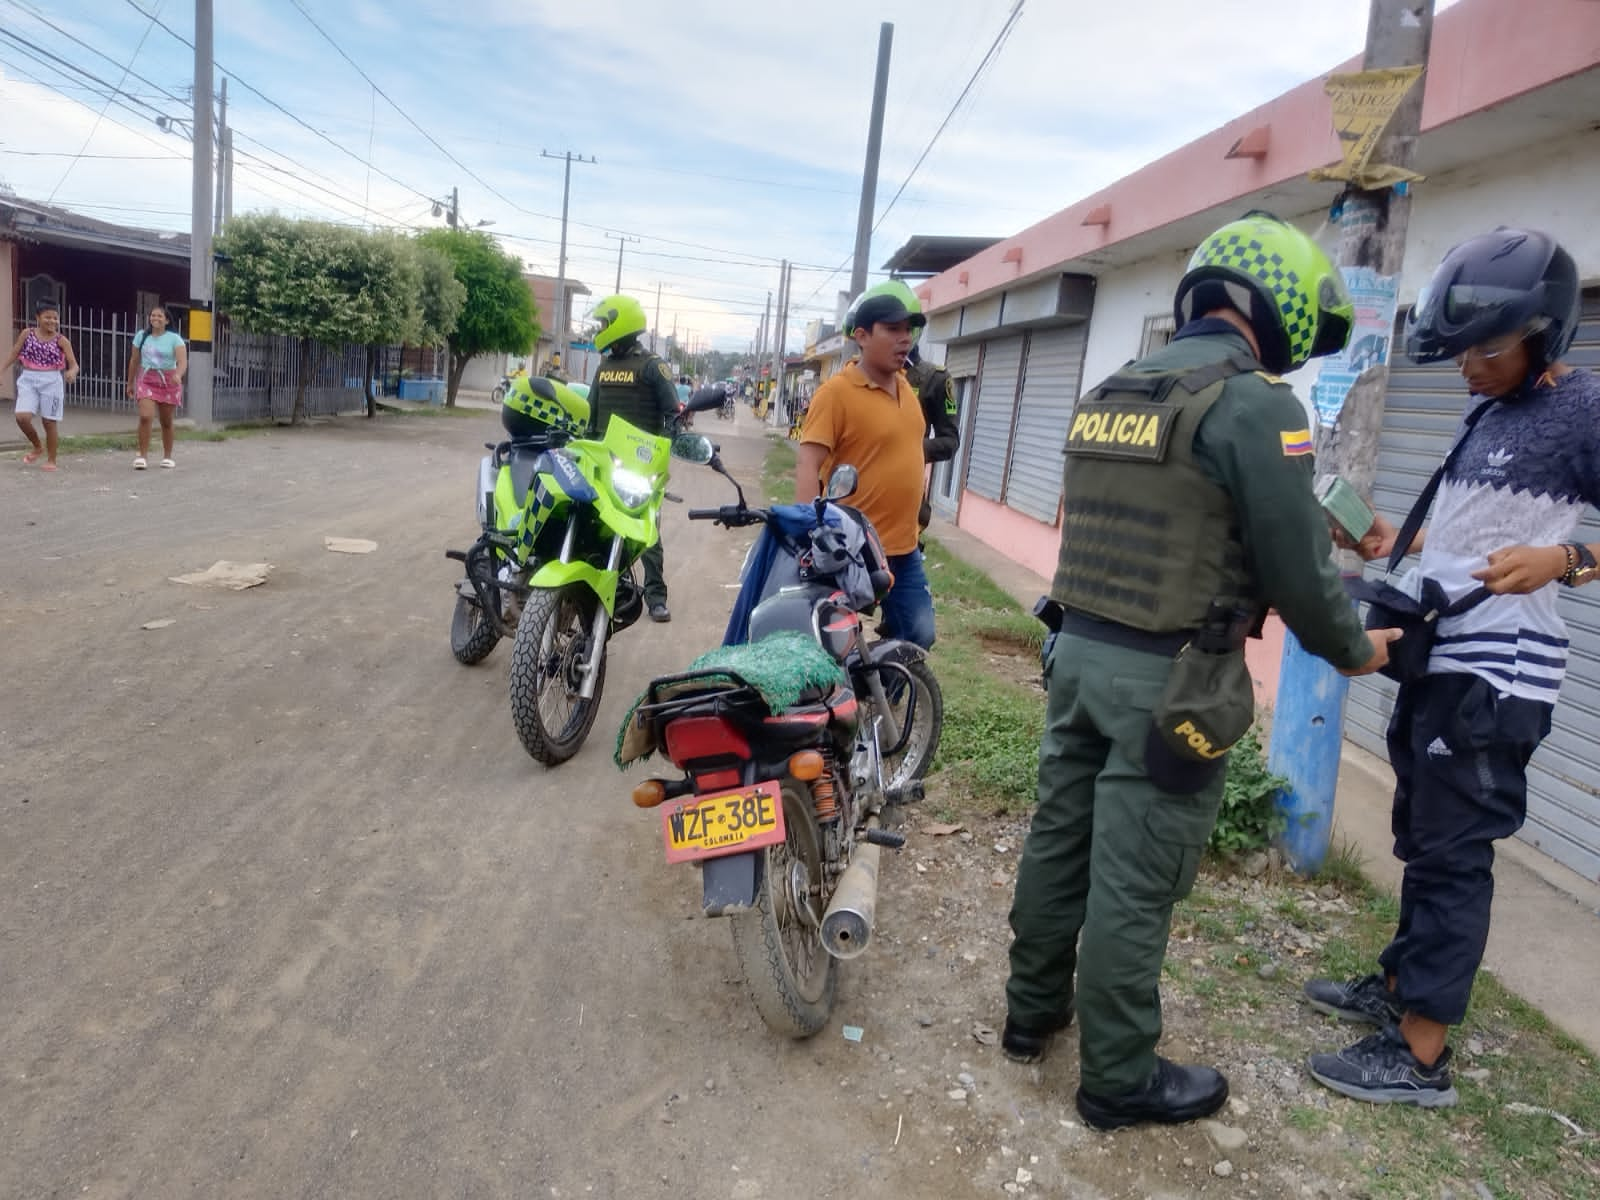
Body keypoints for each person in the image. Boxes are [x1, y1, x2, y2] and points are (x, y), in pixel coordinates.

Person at [1001, 211, 1400, 1132]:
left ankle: (1030, 1018)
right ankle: (1117, 1079)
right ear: (1281, 302)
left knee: (1060, 841)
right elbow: (1297, 572)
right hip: (1171, 683)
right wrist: (1356, 649)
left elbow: (1187, 519)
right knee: (1135, 880)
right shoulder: (1254, 404)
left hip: (1079, 658)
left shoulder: (1112, 388)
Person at [1303, 228, 1599, 1109]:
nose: (1467, 364)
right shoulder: (1492, 410)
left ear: (1546, 335)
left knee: (1455, 854)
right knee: (1424, 839)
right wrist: (1404, 536)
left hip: (1499, 674)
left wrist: (1567, 561)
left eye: (1490, 347)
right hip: (1446, 656)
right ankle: (1399, 992)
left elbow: (1561, 546)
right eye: (1461, 347)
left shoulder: (1582, 410)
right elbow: (1473, 526)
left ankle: (1421, 1056)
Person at [794, 283, 936, 649]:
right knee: (830, 644)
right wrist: (810, 534)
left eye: (909, 329)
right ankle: (851, 695)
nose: (905, 338)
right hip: (852, 551)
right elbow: (809, 463)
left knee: (918, 636)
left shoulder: (906, 389)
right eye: (892, 329)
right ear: (862, 335)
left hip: (904, 549)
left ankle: (878, 698)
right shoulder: (836, 393)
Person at [585, 293, 680, 622]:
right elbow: (591, 417)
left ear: (621, 322)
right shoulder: (604, 367)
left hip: (640, 466)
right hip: (604, 461)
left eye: (604, 323)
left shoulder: (654, 367)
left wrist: (661, 458)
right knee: (599, 525)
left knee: (646, 532)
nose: (601, 329)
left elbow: (672, 417)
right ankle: (610, 586)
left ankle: (656, 595)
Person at [4, 301, 80, 471]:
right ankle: (38, 446)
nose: (52, 321)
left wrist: (71, 372)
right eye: (47, 317)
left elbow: (74, 364)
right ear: (38, 317)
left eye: (55, 318)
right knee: (21, 417)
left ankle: (52, 459)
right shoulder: (27, 334)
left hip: (52, 381)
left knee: (49, 422)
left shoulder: (62, 340)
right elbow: (14, 353)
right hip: (28, 379)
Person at [124, 306, 187, 469]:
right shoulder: (141, 336)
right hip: (146, 379)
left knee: (166, 420)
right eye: (153, 315)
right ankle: (142, 456)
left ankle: (167, 456)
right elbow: (134, 360)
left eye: (160, 316)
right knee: (146, 416)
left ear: (166, 320)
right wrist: (130, 382)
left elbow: (182, 361)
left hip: (168, 381)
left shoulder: (175, 339)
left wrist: (178, 375)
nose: (155, 318)